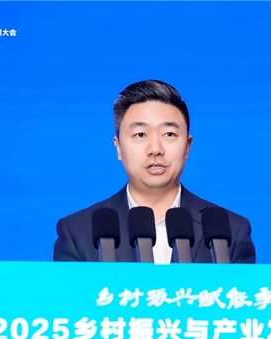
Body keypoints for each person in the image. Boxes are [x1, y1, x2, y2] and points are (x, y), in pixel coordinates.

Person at [53, 79, 256, 263]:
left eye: (169, 134)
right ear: (118, 147)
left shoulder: (231, 230)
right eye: (140, 134)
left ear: (187, 146)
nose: (155, 149)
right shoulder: (78, 231)